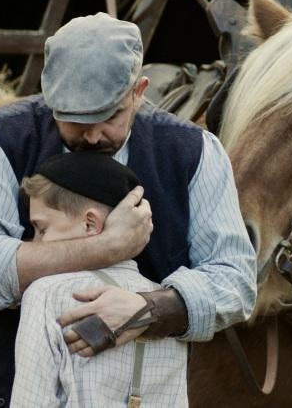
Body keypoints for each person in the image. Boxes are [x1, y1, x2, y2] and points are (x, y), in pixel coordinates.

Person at [0, 12, 256, 407]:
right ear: (50, 98)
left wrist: (146, 309)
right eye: (75, 120)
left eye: (109, 117)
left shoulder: (195, 153)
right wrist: (109, 246)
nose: (92, 134)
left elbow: (235, 279)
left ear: (139, 91)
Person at [11, 152, 187, 407]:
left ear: (90, 224)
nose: (34, 243)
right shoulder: (167, 307)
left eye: (42, 229)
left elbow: (31, 401)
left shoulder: (46, 293)